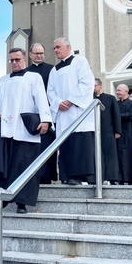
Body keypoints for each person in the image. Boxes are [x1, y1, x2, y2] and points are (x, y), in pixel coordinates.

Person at [0, 48, 51, 213]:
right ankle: (3, 197)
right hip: (6, 129)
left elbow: (41, 97)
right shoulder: (2, 80)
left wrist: (45, 120)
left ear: (25, 60)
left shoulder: (34, 77)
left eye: (17, 59)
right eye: (11, 60)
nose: (14, 63)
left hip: (25, 129)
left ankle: (22, 202)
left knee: (24, 166)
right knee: (6, 166)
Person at [47, 38, 95, 185]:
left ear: (68, 47)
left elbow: (86, 83)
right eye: (54, 48)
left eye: (58, 47)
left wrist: (71, 100)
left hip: (78, 111)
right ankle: (66, 175)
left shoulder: (80, 62)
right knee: (66, 145)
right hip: (63, 113)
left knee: (80, 145)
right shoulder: (54, 70)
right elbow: (50, 91)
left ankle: (81, 176)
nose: (55, 50)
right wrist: (57, 103)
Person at [26, 43, 58, 184]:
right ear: (30, 55)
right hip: (31, 113)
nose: (39, 55)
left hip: (48, 113)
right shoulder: (26, 72)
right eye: (36, 53)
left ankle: (47, 175)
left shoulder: (52, 70)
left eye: (41, 53)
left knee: (47, 144)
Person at [93, 79, 121, 184]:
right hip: (94, 130)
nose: (93, 88)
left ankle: (113, 177)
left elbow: (116, 115)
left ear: (100, 85)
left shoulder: (110, 98)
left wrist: (117, 131)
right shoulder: (89, 98)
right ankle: (96, 178)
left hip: (108, 130)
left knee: (110, 154)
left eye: (95, 85)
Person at [115, 84, 132, 184]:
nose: (117, 92)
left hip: (130, 132)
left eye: (119, 90)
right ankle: (119, 178)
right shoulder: (115, 103)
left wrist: (116, 116)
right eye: (117, 90)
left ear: (126, 91)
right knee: (119, 155)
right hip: (118, 132)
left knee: (131, 154)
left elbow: (131, 115)